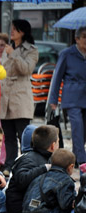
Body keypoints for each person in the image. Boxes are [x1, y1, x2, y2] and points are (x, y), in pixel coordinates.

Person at [5, 125, 58, 213]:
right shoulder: (31, 159)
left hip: (22, 212)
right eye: (58, 141)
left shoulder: (44, 158)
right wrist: (44, 168)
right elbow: (21, 179)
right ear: (53, 145)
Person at [0, 19, 39, 173]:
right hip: (6, 97)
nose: (12, 31)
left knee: (24, 134)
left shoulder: (31, 50)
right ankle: (9, 165)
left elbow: (26, 69)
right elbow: (4, 70)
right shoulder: (8, 47)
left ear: (22, 31)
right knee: (8, 135)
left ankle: (26, 163)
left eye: (15, 29)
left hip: (21, 97)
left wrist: (13, 54)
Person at [22, 148, 75, 213]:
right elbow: (66, 204)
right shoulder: (66, 180)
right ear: (71, 167)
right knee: (72, 207)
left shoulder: (40, 176)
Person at [48, 27, 86, 165]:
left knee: (83, 132)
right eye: (84, 37)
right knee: (77, 128)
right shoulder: (67, 54)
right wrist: (53, 99)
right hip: (72, 97)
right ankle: (82, 161)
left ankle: (77, 157)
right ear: (77, 39)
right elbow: (57, 77)